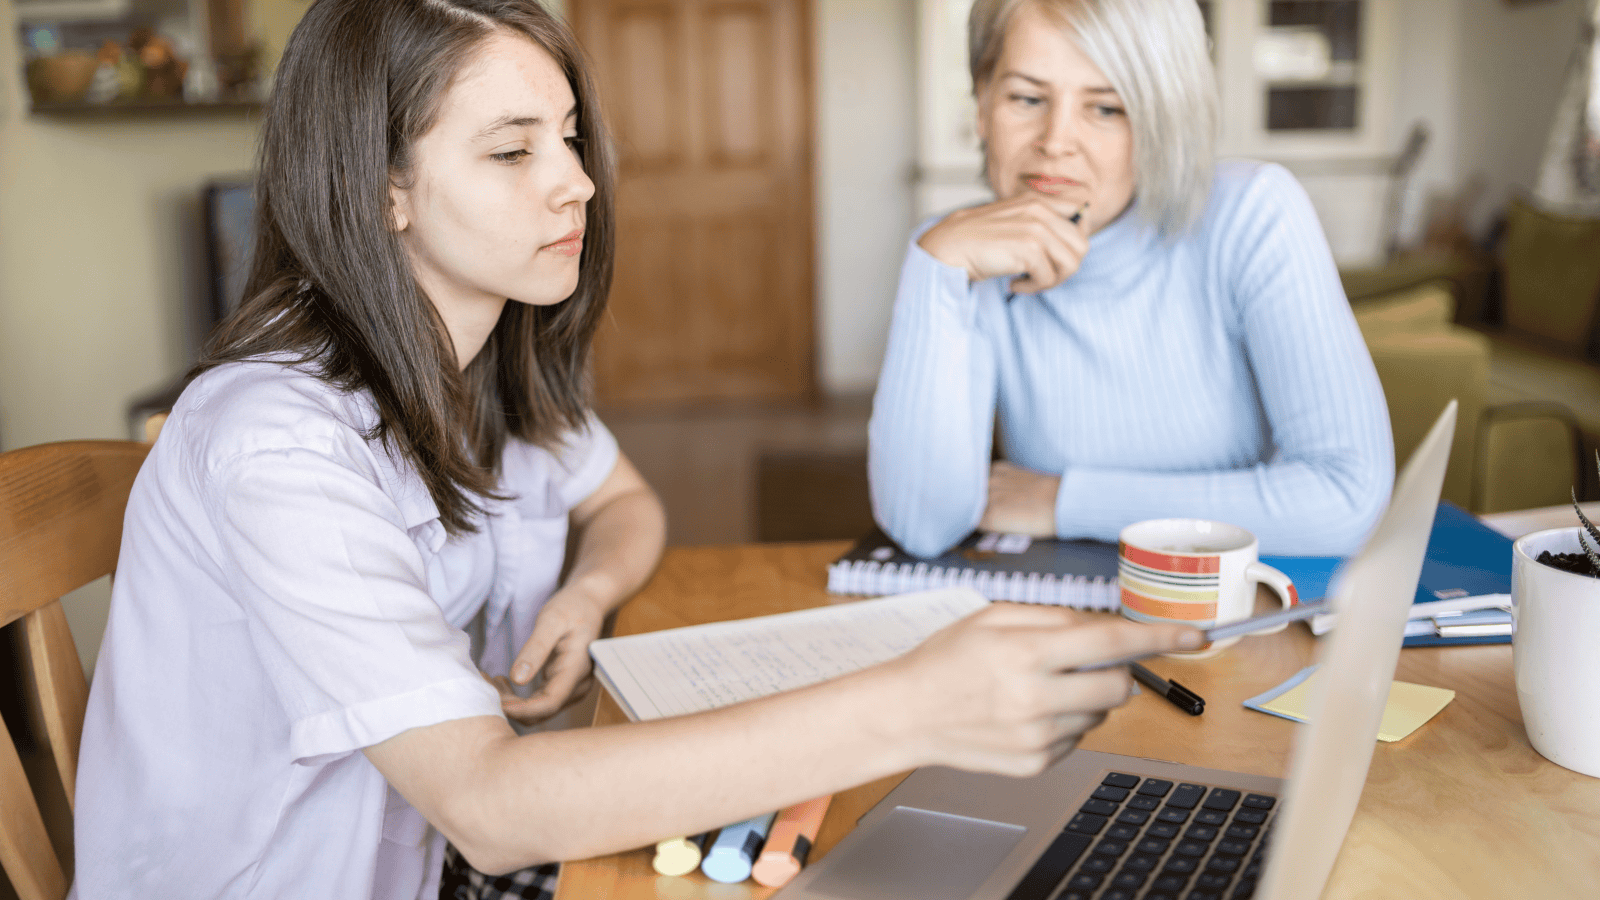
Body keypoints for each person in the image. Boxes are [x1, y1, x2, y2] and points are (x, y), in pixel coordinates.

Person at [68, 2, 1202, 898]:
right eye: (513, 152)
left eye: (566, 137)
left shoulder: (484, 368)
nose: (577, 181)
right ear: (382, 191)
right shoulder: (273, 441)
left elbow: (626, 502)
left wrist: (589, 591)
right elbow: (490, 804)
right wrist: (912, 702)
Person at [869, 0, 1394, 560]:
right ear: (981, 104)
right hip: (1065, 621)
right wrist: (935, 267)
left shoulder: (1254, 215)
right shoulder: (962, 253)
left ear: (1163, 121)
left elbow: (1347, 499)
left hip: (1240, 619)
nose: (1055, 141)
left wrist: (1062, 502)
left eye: (1107, 108)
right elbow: (920, 526)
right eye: (1026, 98)